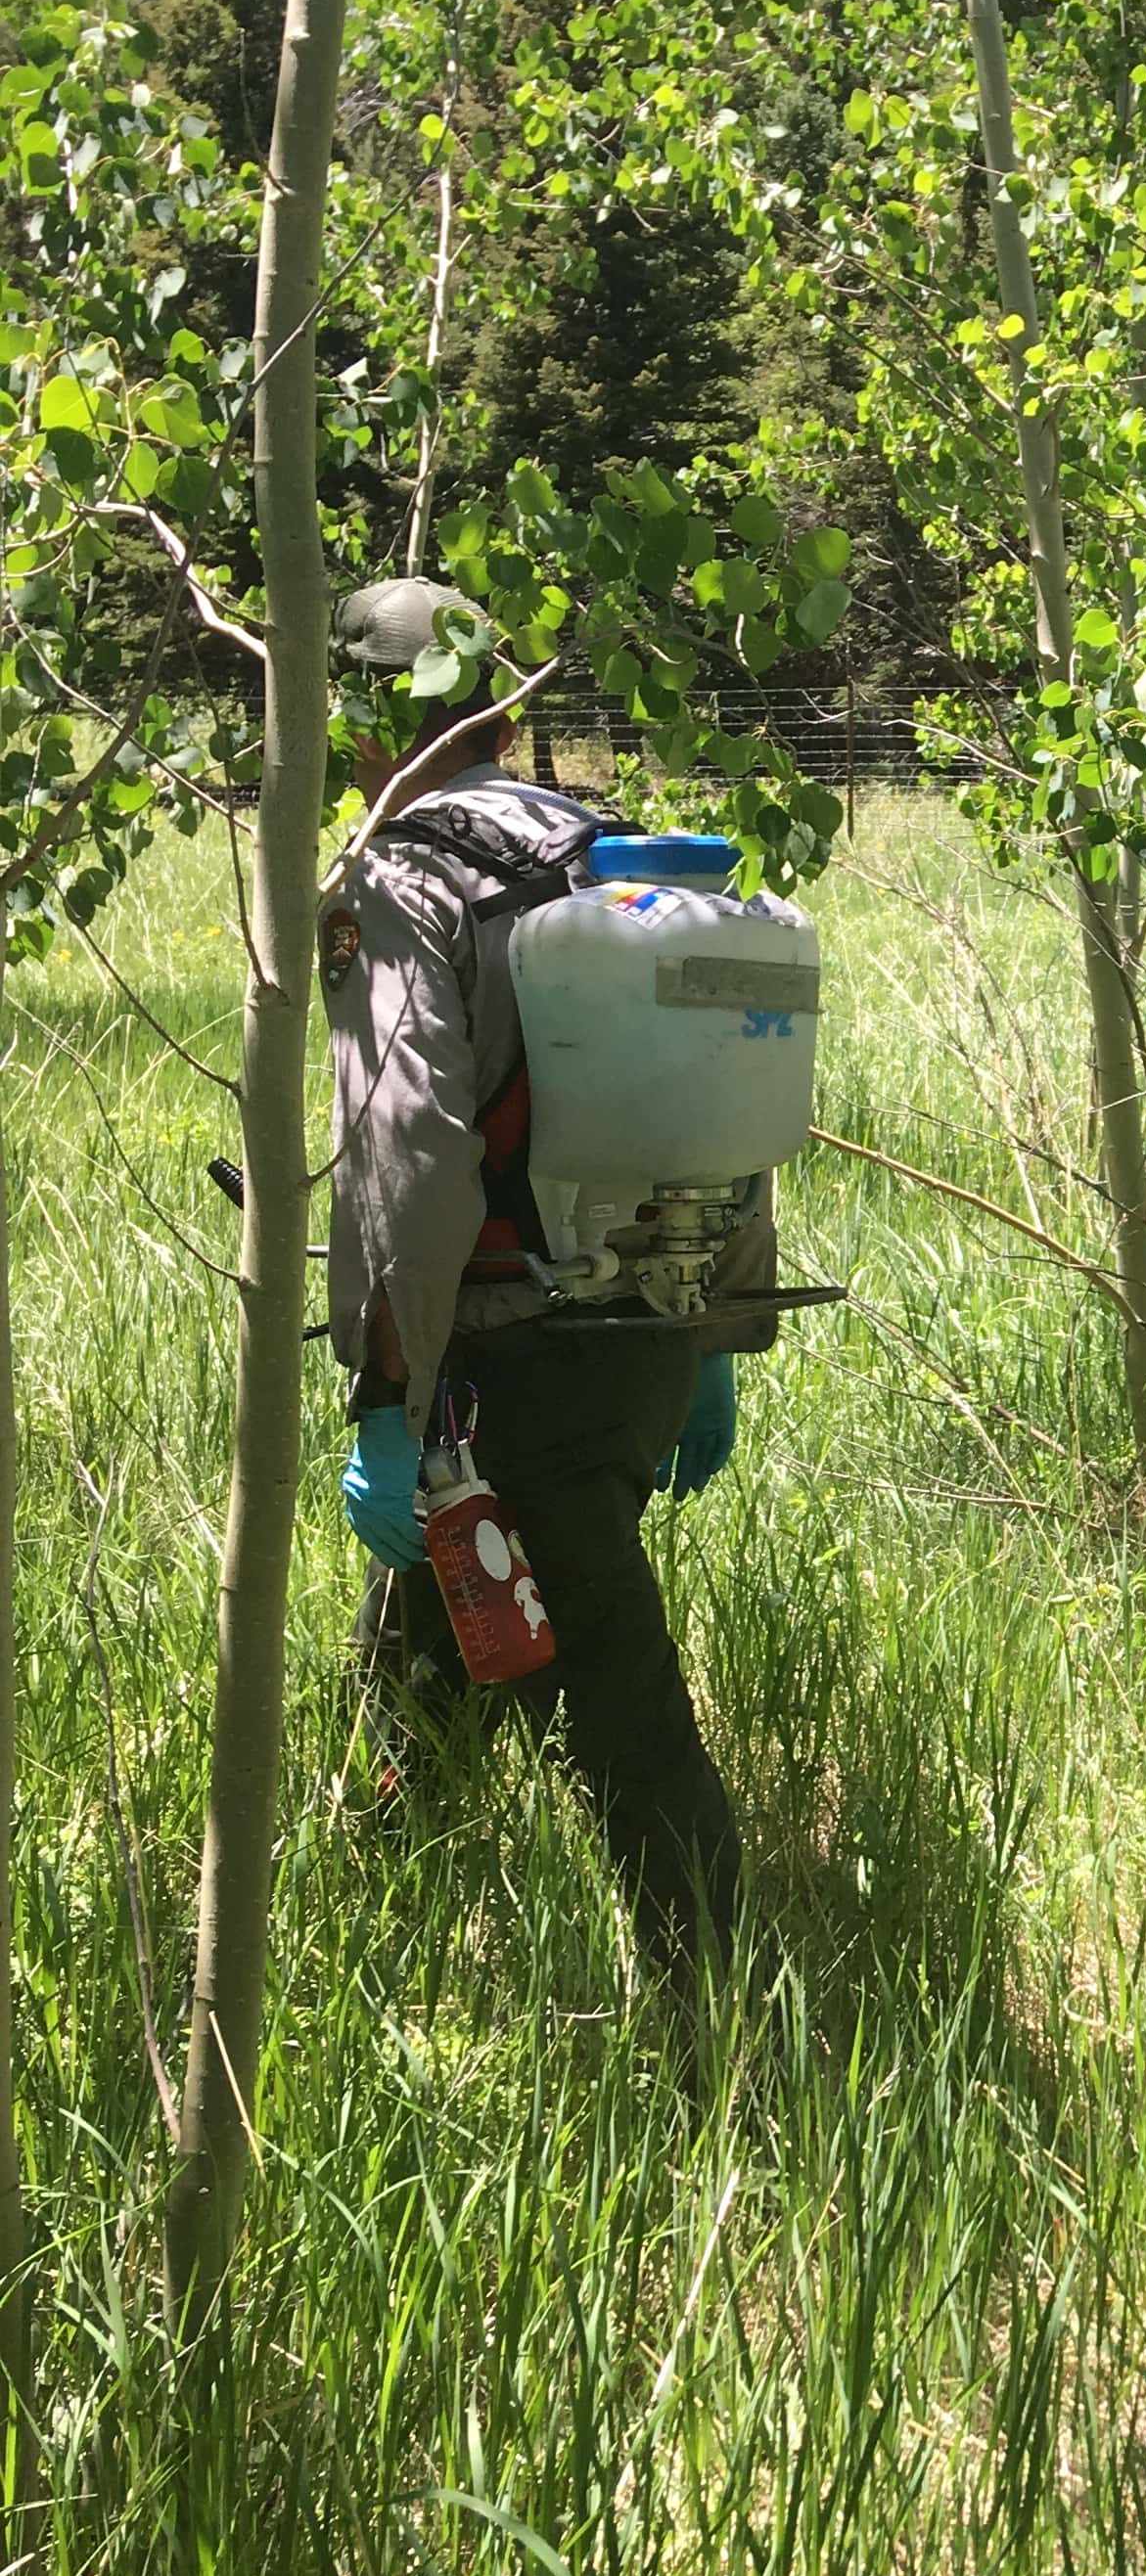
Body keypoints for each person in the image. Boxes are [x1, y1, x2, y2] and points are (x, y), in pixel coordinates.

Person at [323, 578, 766, 1978]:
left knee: (612, 1690)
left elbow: (408, 1156)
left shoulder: (401, 877)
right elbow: (731, 1110)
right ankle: (403, 1937)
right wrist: (709, 1342)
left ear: (353, 720)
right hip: (644, 1337)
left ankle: (722, 2008)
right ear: (494, 707)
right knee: (442, 1647)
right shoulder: (612, 854)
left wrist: (389, 1401)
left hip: (499, 1359)